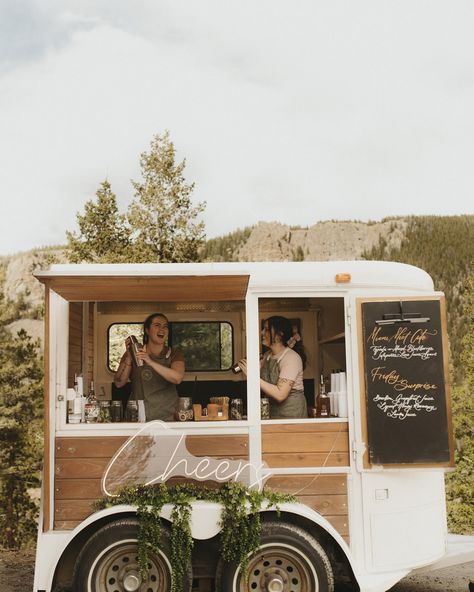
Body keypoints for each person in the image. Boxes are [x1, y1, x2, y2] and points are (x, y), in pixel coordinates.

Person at [114, 313, 185, 421]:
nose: (162, 329)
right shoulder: (135, 352)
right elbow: (119, 383)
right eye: (157, 325)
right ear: (147, 330)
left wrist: (150, 361)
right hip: (138, 416)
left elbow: (177, 378)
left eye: (165, 326)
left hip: (168, 417)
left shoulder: (174, 353)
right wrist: (129, 357)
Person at [239, 315, 307, 419]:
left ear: (279, 335)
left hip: (291, 415)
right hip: (272, 412)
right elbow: (264, 386)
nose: (261, 332)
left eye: (266, 329)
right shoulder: (267, 356)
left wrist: (252, 376)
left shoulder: (291, 358)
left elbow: (280, 395)